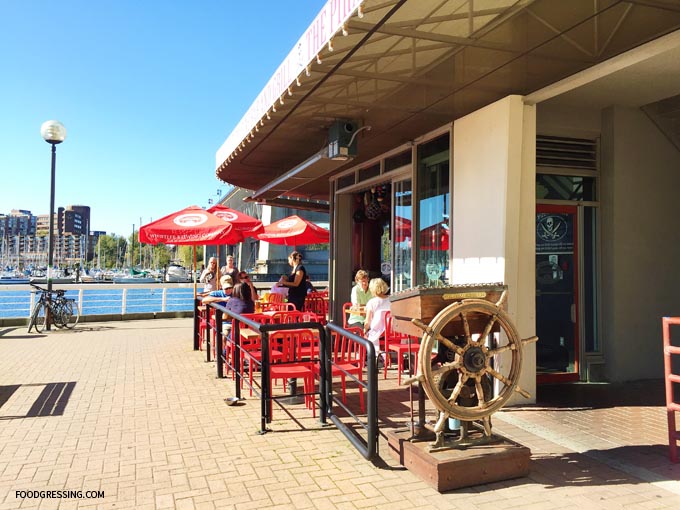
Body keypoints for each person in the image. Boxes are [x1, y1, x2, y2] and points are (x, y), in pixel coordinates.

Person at [363, 278, 390, 359]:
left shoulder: (372, 302)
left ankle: (378, 355)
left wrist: (365, 329)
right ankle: (383, 354)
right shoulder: (392, 300)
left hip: (378, 331)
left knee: (365, 335)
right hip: (391, 332)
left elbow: (367, 321)